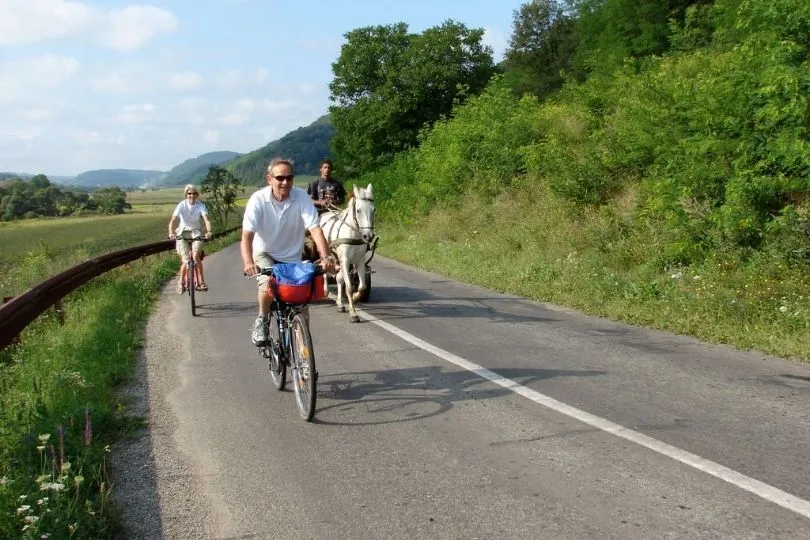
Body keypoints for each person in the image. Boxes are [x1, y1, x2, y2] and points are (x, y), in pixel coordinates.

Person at [242, 158, 336, 345]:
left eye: (289, 177)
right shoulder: (258, 200)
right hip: (265, 252)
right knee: (267, 283)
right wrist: (248, 262)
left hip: (292, 256)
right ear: (269, 179)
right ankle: (263, 319)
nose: (285, 182)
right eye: (280, 178)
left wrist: (325, 256)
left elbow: (315, 229)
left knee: (301, 303)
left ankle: (303, 355)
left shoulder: (301, 197)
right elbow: (247, 236)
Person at [168, 184, 213, 294]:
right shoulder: (181, 205)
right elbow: (173, 220)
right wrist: (171, 232)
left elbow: (206, 220)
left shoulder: (200, 205)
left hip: (195, 232)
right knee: (186, 259)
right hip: (182, 233)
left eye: (194, 193)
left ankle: (202, 282)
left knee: (195, 255)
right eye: (189, 193)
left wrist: (209, 232)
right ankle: (181, 282)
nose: (191, 195)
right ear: (186, 195)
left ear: (197, 195)